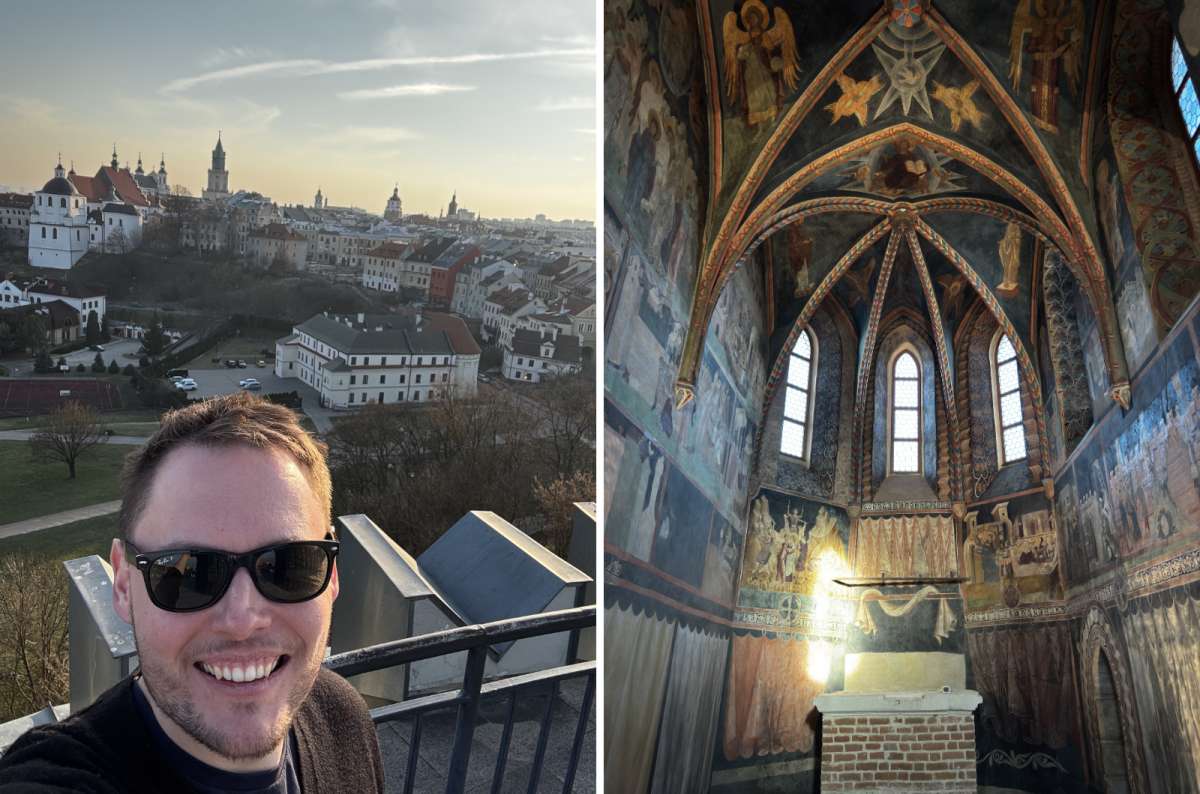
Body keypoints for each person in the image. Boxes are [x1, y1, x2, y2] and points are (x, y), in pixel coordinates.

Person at [0, 393, 384, 793]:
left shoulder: (343, 718)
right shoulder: (55, 778)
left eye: (289, 566)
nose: (241, 621)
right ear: (124, 585)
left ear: (333, 575)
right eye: (187, 574)